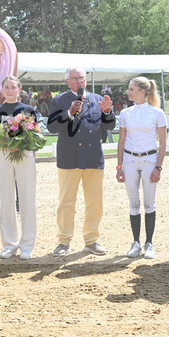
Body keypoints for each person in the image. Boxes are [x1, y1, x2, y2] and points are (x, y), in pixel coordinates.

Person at [47, 67, 115, 257]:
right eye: (75, 78)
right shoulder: (59, 100)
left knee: (94, 202)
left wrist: (107, 111)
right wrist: (68, 113)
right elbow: (51, 127)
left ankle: (91, 240)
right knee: (66, 202)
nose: (79, 81)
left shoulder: (97, 99)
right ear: (68, 81)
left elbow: (110, 125)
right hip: (69, 157)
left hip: (93, 157)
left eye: (82, 78)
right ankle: (64, 241)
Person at [116, 77, 167, 259]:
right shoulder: (125, 113)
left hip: (149, 160)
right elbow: (121, 141)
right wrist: (119, 166)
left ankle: (149, 243)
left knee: (149, 203)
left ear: (142, 92)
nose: (128, 92)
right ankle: (136, 242)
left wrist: (158, 167)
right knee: (133, 204)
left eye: (131, 89)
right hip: (130, 160)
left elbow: (163, 143)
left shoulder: (157, 113)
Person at [0, 76, 38, 260]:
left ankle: (27, 245)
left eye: (13, 87)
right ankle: (9, 244)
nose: (10, 90)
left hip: (24, 154)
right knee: (6, 199)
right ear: (2, 90)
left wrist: (20, 144)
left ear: (19, 89)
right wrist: (8, 144)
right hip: (3, 154)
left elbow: (34, 135)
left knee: (27, 198)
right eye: (7, 87)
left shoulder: (28, 110)